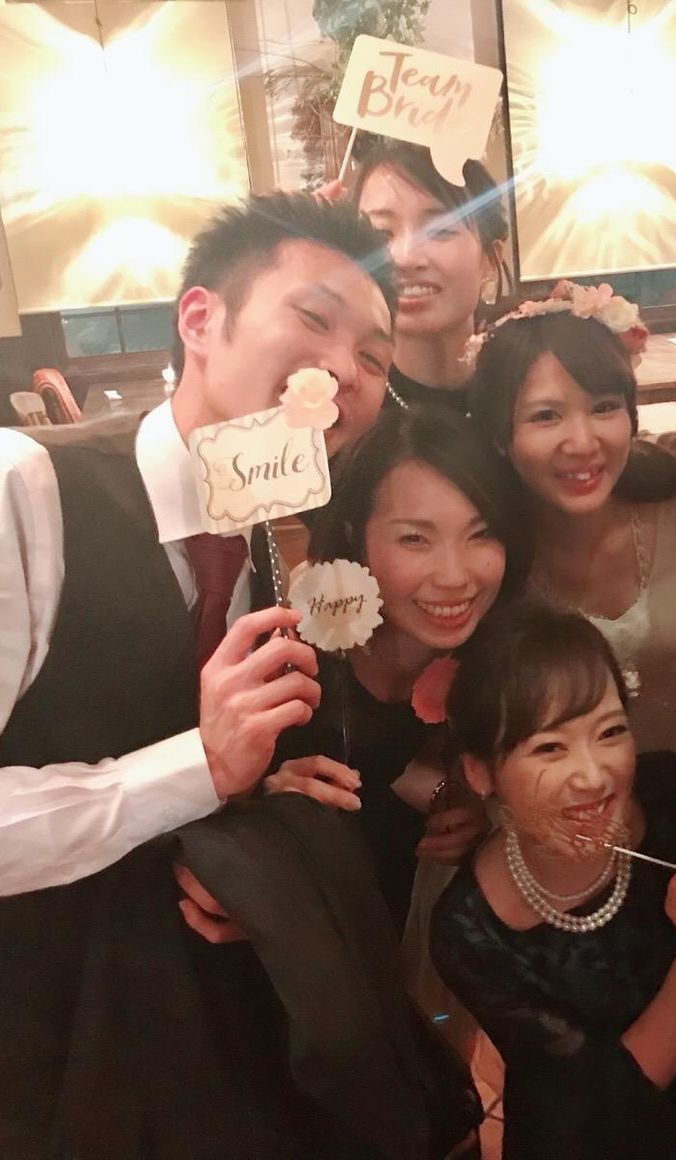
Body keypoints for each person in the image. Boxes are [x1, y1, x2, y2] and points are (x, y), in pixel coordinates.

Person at [0, 193, 395, 1154]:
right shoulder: (27, 488)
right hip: (48, 1036)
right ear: (200, 320)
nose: (346, 369)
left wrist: (253, 813)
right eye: (315, 319)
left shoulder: (276, 544)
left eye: (377, 357)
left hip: (204, 1042)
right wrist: (199, 769)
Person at [430, 601, 676, 1159]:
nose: (594, 776)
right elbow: (611, 1100)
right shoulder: (470, 930)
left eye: (610, 732)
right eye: (550, 747)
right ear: (480, 772)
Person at [267, 405, 531, 933]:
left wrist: (477, 814)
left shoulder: (505, 658)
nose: (455, 577)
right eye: (415, 539)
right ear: (355, 534)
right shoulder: (294, 660)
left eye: (481, 533)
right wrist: (269, 807)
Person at [468, 289, 676, 756]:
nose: (583, 442)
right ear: (499, 436)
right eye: (546, 416)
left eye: (604, 407)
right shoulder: (487, 564)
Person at [342, 138, 509, 413]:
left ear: (490, 259)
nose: (406, 258)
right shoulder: (340, 408)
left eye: (439, 230)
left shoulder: (528, 390)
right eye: (380, 232)